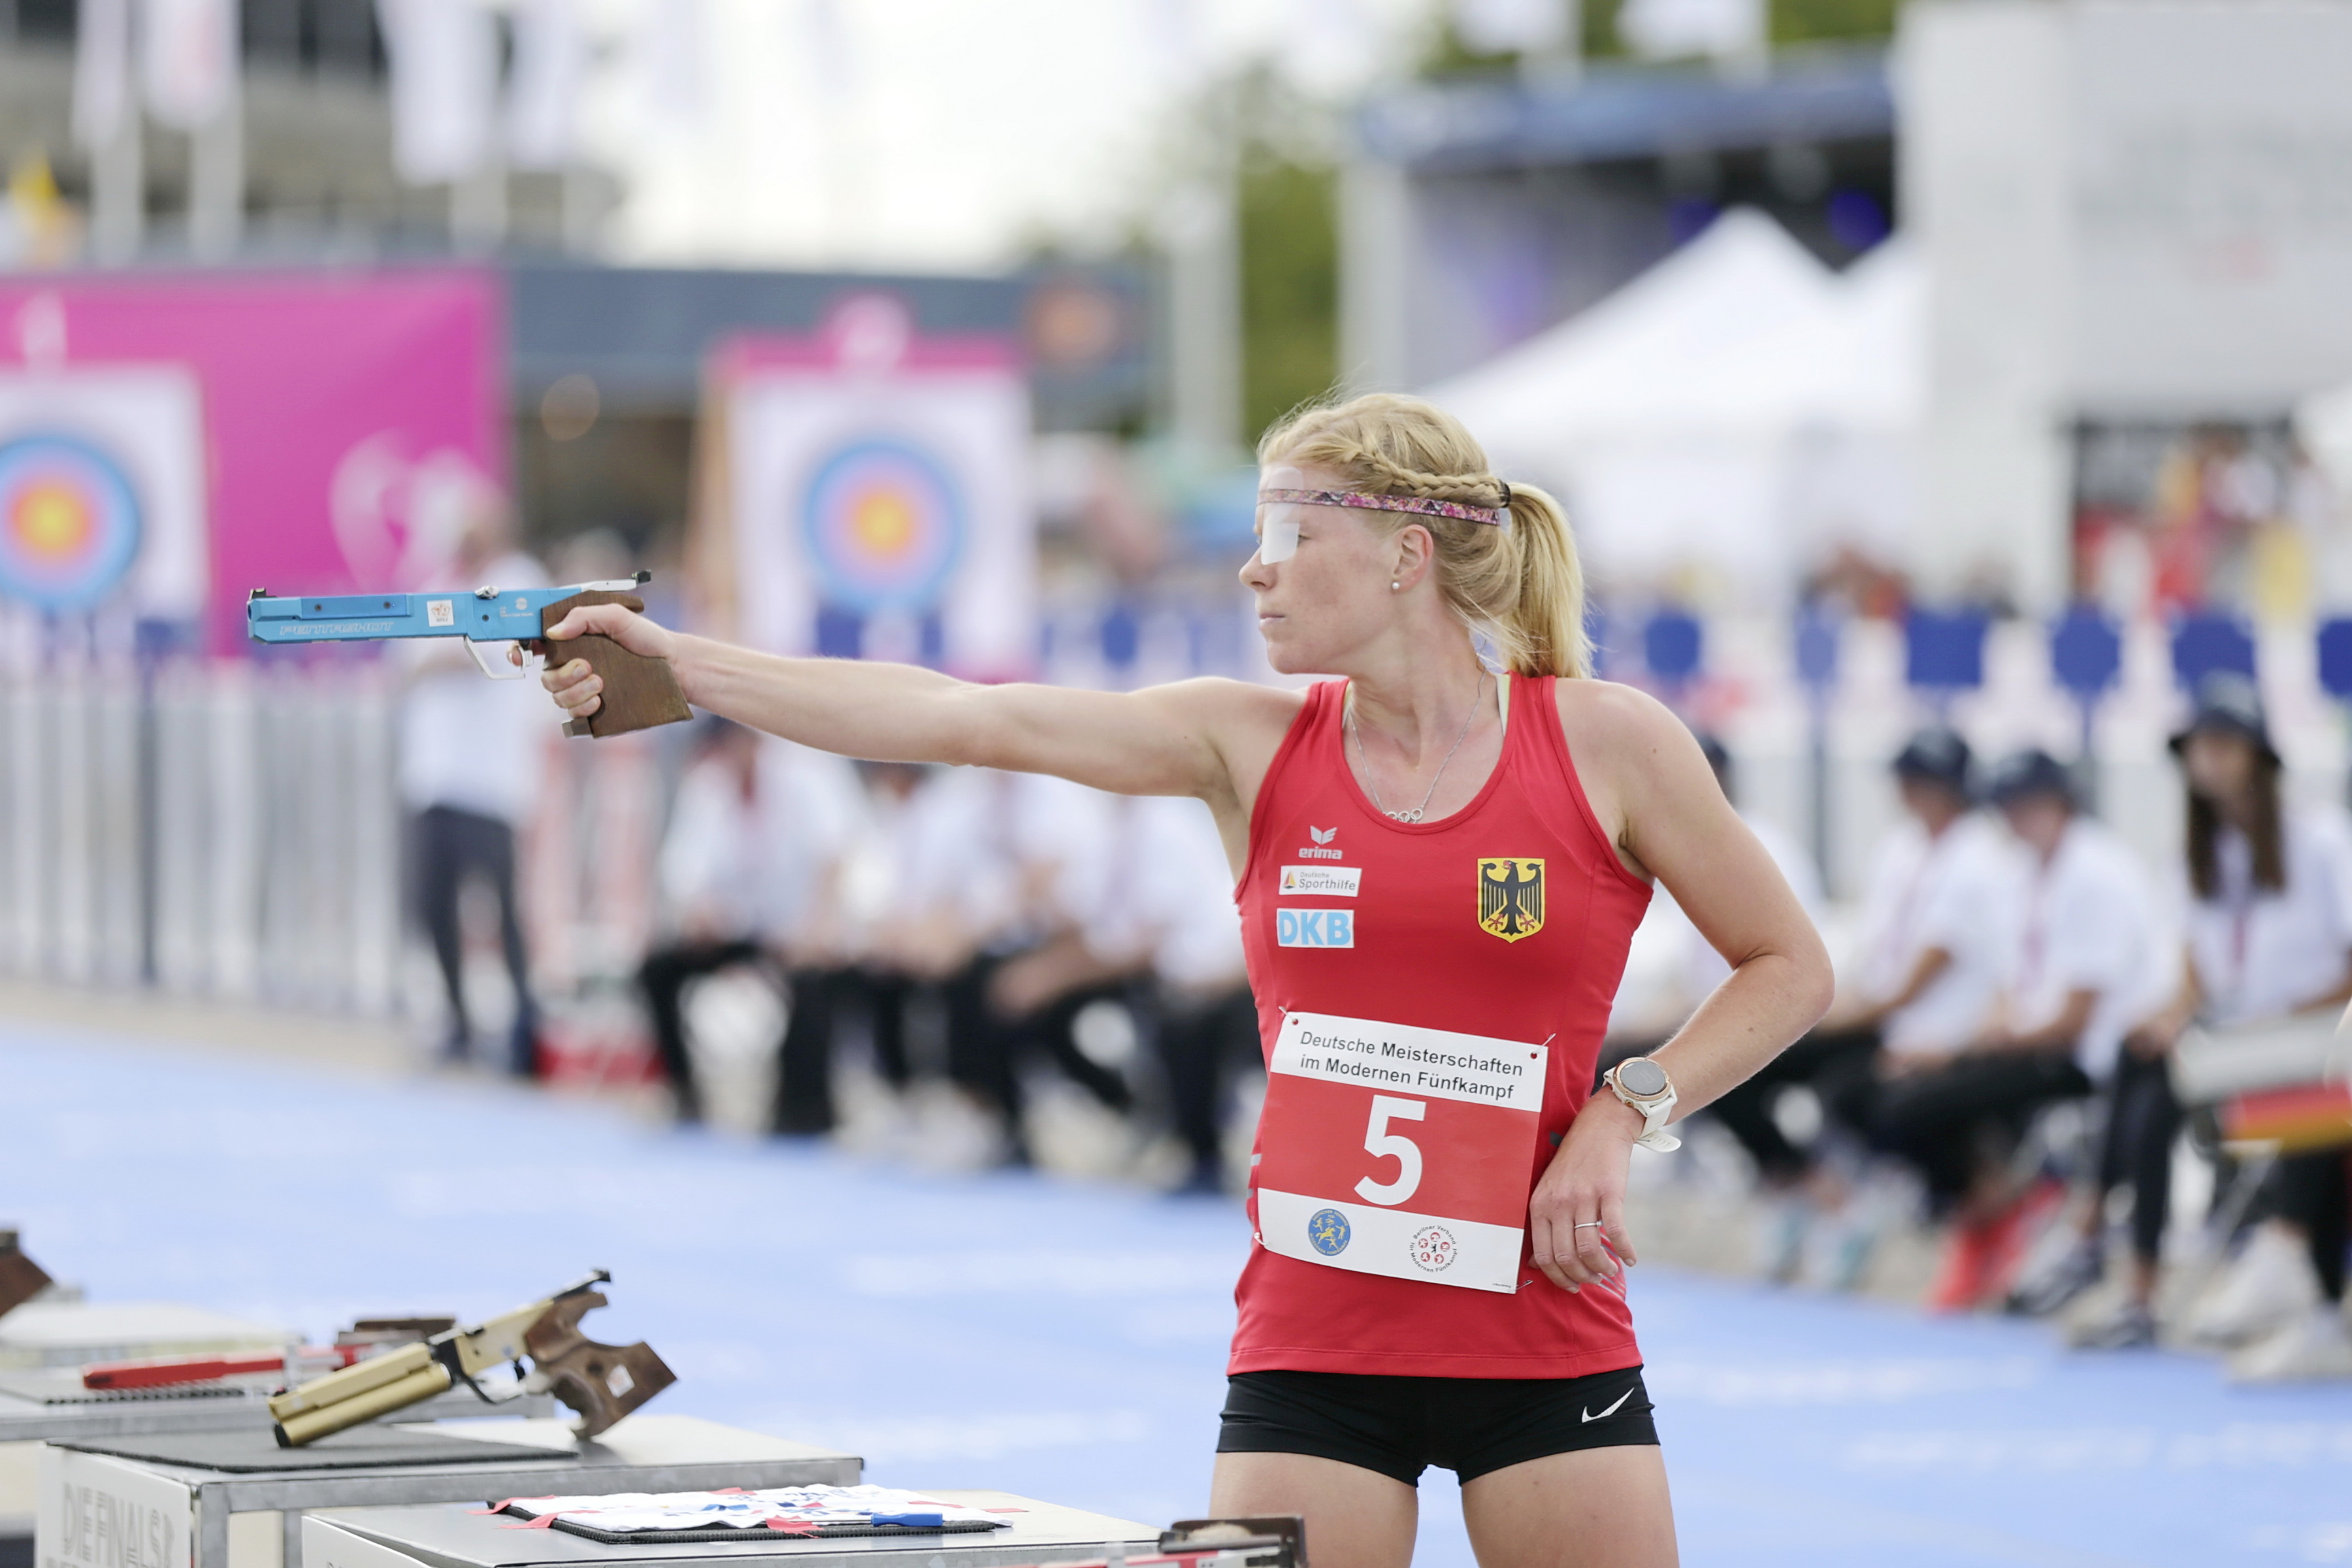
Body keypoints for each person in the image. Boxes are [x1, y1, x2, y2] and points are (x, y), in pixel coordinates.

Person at [535, 393, 1829, 1567]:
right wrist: (679, 662)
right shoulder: (1245, 743)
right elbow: (958, 715)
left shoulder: (1608, 743)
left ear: (1405, 553)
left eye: (1290, 532)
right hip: (1316, 1342)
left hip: (1545, 1329)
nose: (1256, 567)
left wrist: (1624, 1111)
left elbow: (1789, 967)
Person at [1707, 726, 2014, 1287]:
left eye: (1922, 781)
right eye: (1907, 780)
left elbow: (1919, 976)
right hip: (1881, 1014)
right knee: (1734, 1065)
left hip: (1926, 1026)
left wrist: (1822, 1012)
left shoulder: (1977, 858)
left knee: (1848, 1089)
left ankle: (1875, 1200)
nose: (1910, 792)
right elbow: (1877, 956)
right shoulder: (1902, 849)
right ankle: (1808, 1189)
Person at [1867, 749, 2157, 1313]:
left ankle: (2000, 1206)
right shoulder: (2022, 874)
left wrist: (1968, 1047)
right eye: (2009, 808)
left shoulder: (2096, 873)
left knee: (1915, 1105)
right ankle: (1995, 1205)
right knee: (1896, 1094)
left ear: (2061, 803)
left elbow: (2073, 1017)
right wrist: (1964, 1044)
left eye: (2028, 806)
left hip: (2084, 1058)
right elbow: (2007, 987)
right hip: (2032, 1045)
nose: (2017, 819)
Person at [2123, 674, 2352, 1380]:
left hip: (2314, 1038)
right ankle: (2139, 1283)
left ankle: (2290, 1253)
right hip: (2244, 1053)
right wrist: (2172, 1016)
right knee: (2142, 1062)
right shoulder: (2196, 858)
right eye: (2198, 748)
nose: (2208, 761)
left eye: (2223, 745)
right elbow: (2196, 972)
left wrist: (2288, 1020)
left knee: (2324, 1086)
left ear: (2259, 755)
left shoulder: (2320, 842)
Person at [397, 495, 549, 1076]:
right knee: (432, 904)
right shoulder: (436, 584)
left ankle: (523, 1026)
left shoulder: (518, 579)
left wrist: (446, 658)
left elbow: (498, 654)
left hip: (493, 779)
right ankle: (457, 1020)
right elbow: (407, 664)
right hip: (433, 776)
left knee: (502, 908)